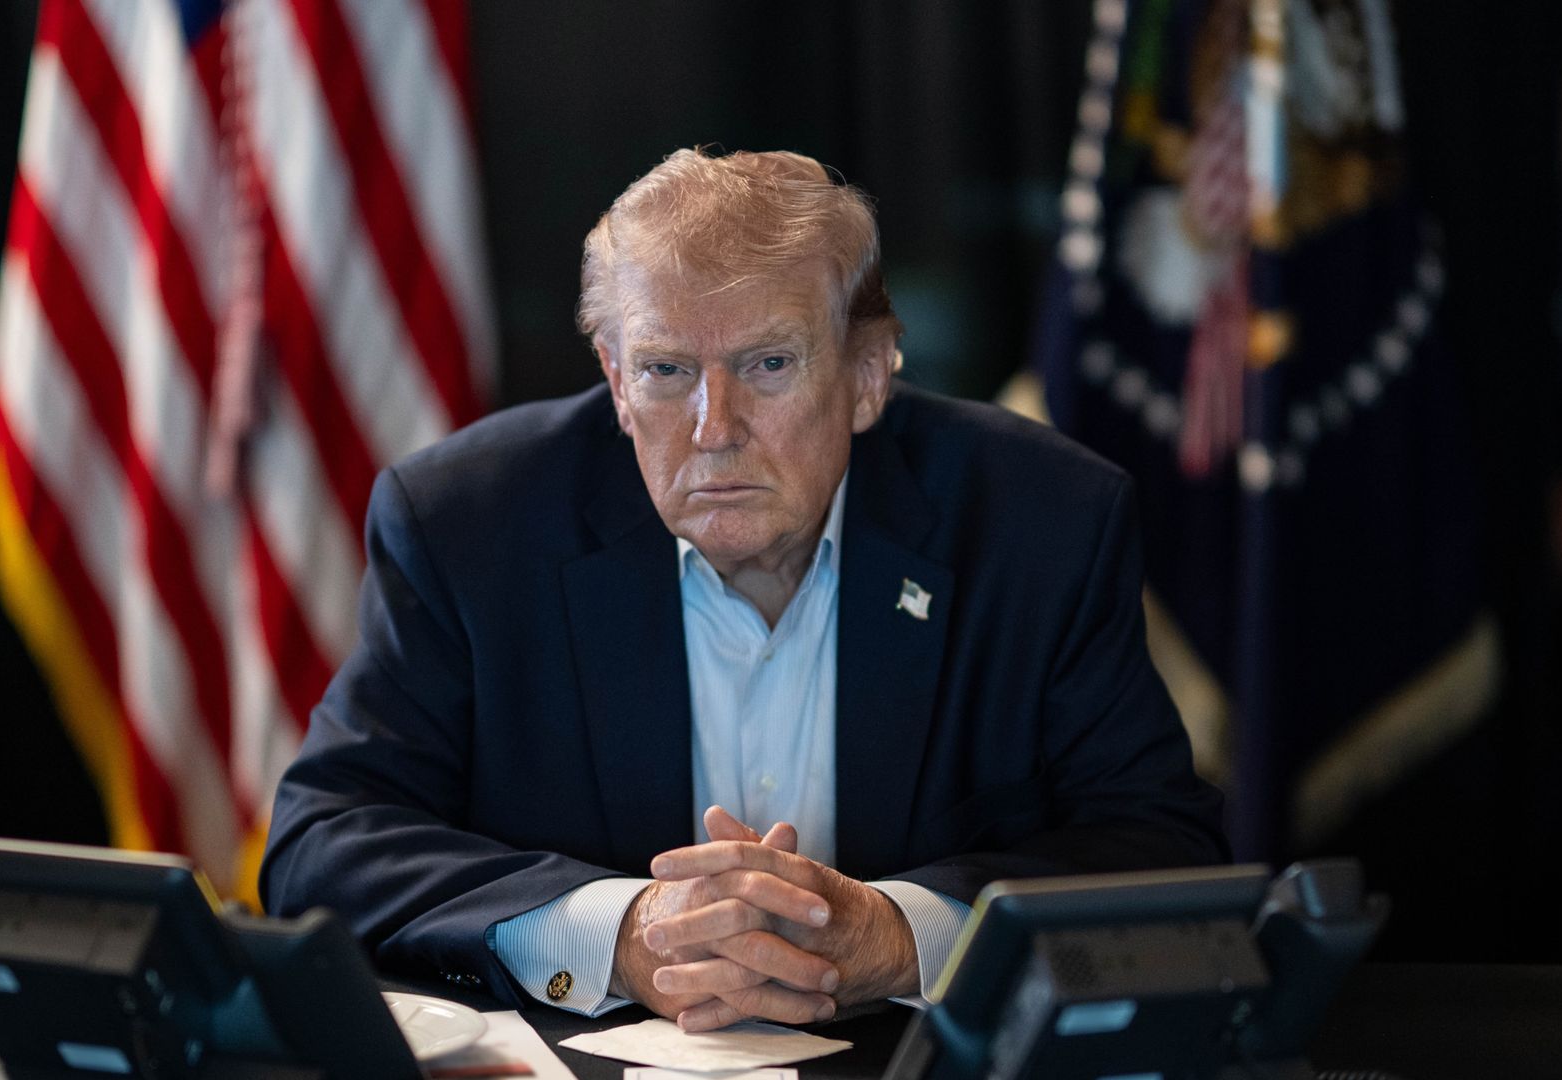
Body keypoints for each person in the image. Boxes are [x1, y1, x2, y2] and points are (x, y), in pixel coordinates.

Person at [261, 148, 1226, 1031]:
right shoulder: (468, 522)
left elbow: (1161, 847)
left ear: (868, 372)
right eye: (666, 370)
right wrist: (619, 932)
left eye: (768, 364)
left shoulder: (1042, 522)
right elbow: (324, 841)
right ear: (614, 379)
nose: (712, 427)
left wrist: (904, 933)